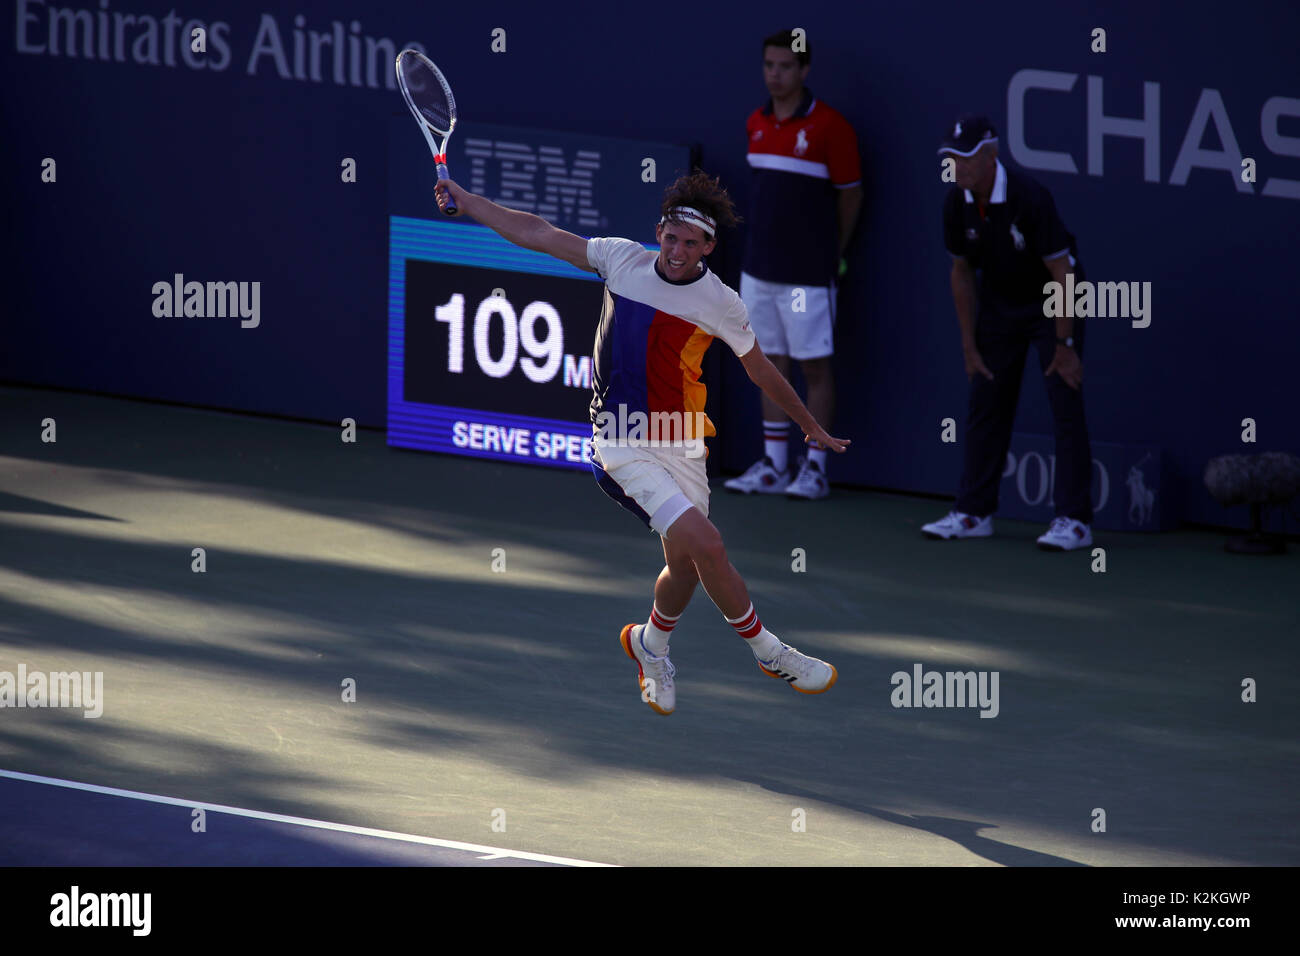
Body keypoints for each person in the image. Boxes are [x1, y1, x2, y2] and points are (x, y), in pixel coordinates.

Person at [433, 171, 848, 714]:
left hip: (683, 442)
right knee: (709, 545)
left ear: (709, 248)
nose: (677, 251)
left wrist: (807, 423)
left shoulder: (721, 302)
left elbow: (760, 369)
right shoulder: (619, 259)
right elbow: (538, 232)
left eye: (691, 243)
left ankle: (649, 645)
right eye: (671, 237)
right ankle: (769, 651)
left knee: (688, 566)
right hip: (621, 438)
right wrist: (468, 203)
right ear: (659, 232)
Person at [922, 115, 1094, 551]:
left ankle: (1074, 520)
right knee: (986, 402)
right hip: (999, 307)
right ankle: (974, 512)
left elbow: (1063, 272)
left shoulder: (1029, 197)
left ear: (990, 156)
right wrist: (968, 344)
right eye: (950, 158)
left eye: (964, 158)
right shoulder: (955, 204)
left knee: (1064, 402)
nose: (955, 166)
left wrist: (1066, 344)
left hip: (1052, 304)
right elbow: (961, 273)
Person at [725, 28, 862, 501]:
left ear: (804, 71)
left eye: (785, 66)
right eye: (769, 66)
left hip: (809, 274)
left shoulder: (831, 128)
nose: (775, 75)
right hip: (758, 270)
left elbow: (850, 197)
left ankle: (816, 468)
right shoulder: (755, 124)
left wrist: (832, 253)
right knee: (768, 364)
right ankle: (774, 465)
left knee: (815, 367)